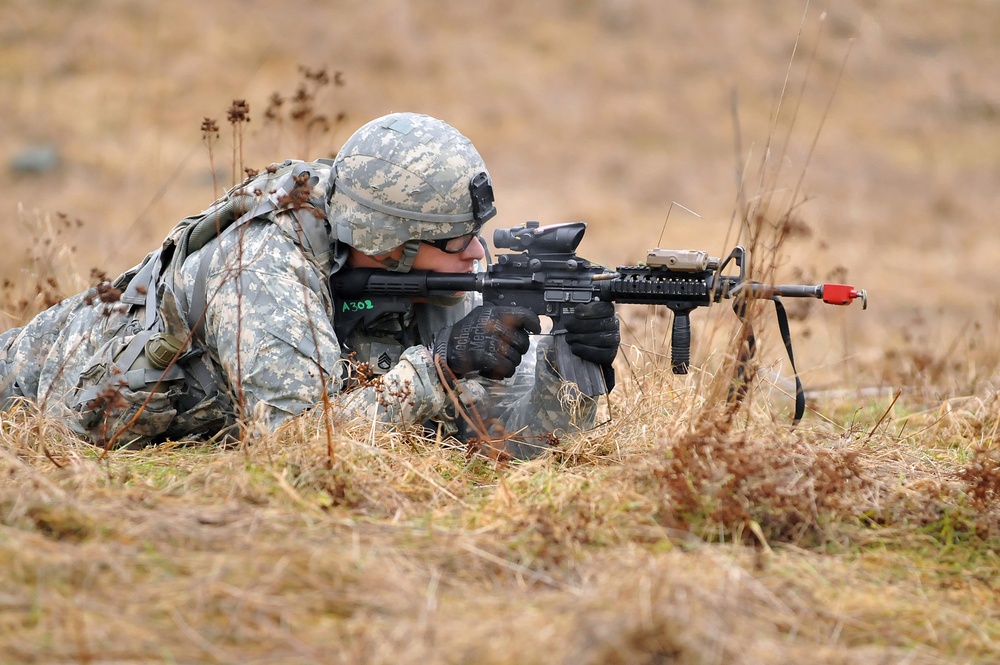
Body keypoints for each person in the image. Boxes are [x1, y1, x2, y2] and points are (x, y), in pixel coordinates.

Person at [0, 112, 620, 458]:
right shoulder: (262, 268)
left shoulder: (415, 272)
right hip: (23, 385)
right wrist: (440, 369)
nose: (478, 255)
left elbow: (500, 440)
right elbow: (300, 448)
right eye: (457, 244)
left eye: (475, 234)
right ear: (390, 243)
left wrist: (566, 371)